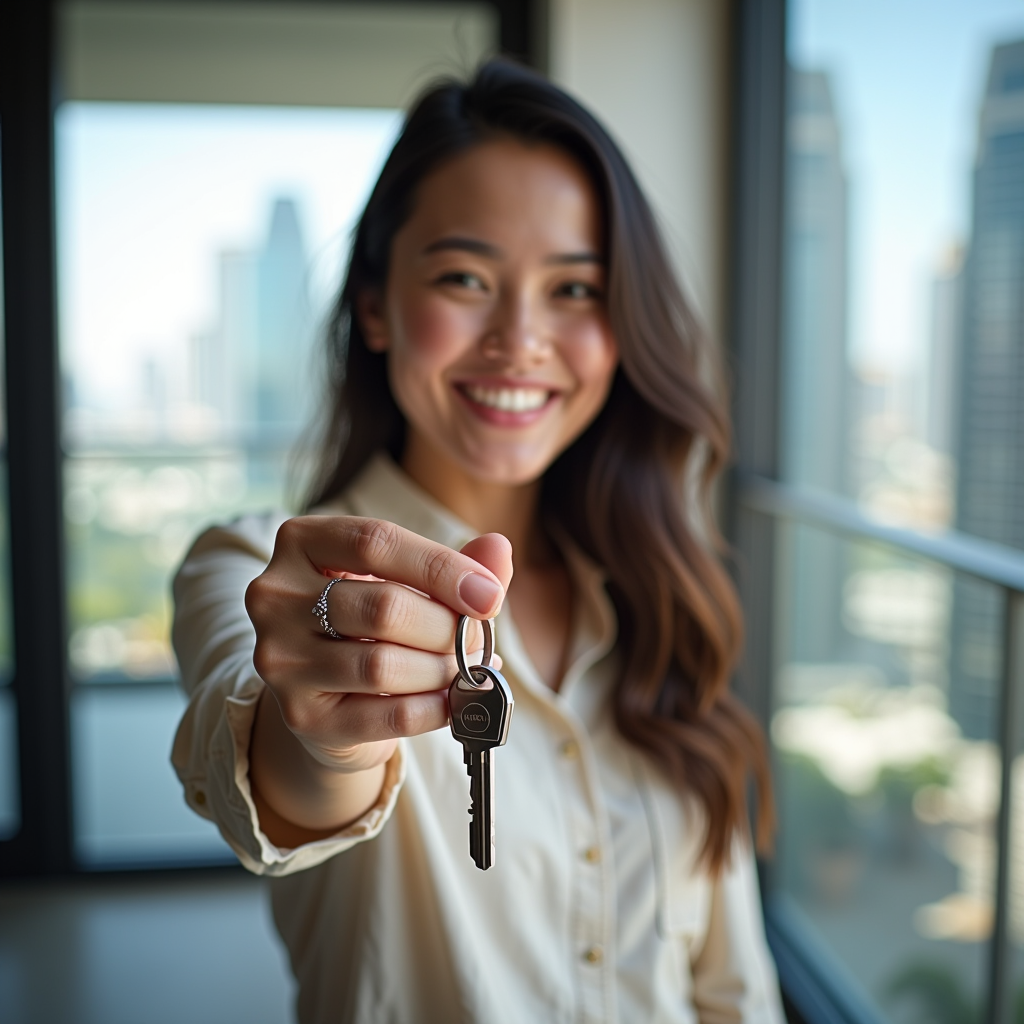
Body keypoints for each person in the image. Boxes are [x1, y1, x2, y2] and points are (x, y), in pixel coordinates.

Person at [171, 59, 784, 1023]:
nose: (520, 338)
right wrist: (321, 733)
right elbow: (273, 776)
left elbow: (730, 980)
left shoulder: (658, 586)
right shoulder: (261, 572)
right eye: (465, 278)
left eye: (574, 289)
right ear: (376, 306)